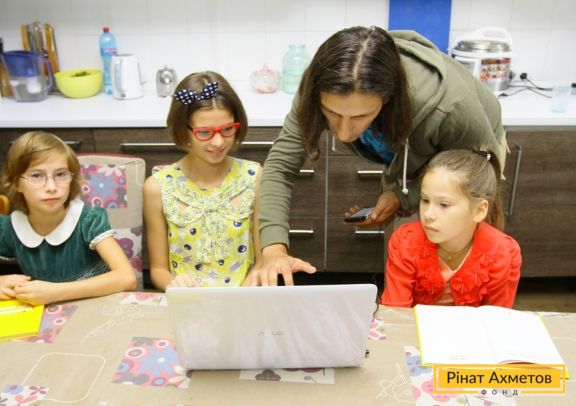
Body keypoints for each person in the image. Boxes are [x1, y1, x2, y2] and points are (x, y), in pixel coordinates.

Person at [254, 26, 508, 285]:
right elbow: (280, 167)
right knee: (406, 260)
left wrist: (403, 195)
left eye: (359, 117)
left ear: (387, 99)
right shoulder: (322, 83)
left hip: (470, 158)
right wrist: (273, 250)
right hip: (408, 155)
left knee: (456, 269)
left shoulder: (451, 107)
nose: (343, 133)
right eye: (332, 113)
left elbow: (481, 170)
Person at [0, 131, 137, 305]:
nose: (51, 187)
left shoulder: (88, 221)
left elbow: (126, 277)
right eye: (36, 175)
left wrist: (55, 292)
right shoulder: (7, 228)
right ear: (16, 183)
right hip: (45, 313)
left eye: (60, 174)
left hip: (95, 307)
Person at [144, 71, 262, 289]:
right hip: (188, 301)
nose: (218, 142)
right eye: (205, 133)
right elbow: (158, 270)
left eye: (227, 129)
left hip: (243, 298)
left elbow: (262, 263)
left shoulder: (253, 176)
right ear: (184, 130)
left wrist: (242, 296)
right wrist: (174, 283)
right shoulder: (157, 187)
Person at [381, 149, 521, 308]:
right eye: (425, 200)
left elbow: (497, 318)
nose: (428, 214)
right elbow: (395, 313)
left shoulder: (503, 253)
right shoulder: (406, 242)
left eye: (444, 204)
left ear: (479, 211)